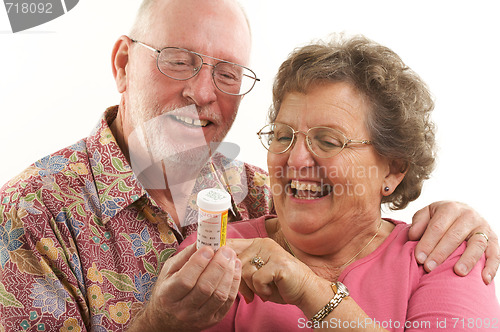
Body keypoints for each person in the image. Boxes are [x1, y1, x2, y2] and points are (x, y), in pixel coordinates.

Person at [0, 0, 497, 330]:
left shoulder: (259, 192)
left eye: (227, 73)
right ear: (123, 64)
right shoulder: (32, 213)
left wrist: (460, 217)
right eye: (177, 60)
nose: (201, 93)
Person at [179, 34, 500, 331]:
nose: (296, 160)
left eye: (329, 141)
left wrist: (310, 291)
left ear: (393, 169)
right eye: (282, 136)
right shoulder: (221, 250)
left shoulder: (443, 256)